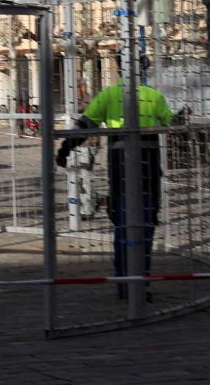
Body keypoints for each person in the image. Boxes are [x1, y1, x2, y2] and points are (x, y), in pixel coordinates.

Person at [55, 76, 173, 299]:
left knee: (122, 228)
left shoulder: (108, 95)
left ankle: (123, 282)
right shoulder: (154, 96)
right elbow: (173, 121)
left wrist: (64, 150)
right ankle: (142, 282)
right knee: (146, 229)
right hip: (148, 171)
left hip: (121, 171)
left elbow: (84, 125)